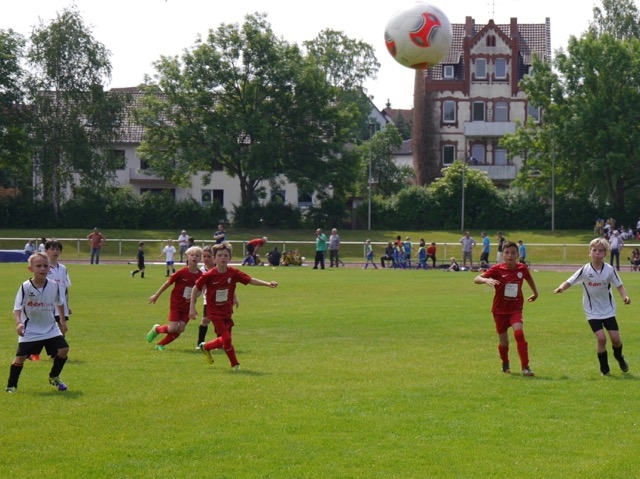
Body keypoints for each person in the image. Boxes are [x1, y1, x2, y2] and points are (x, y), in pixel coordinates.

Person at [190, 241, 278, 369]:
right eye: (220, 255)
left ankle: (206, 346)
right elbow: (195, 288)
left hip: (227, 311)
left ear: (230, 258)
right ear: (214, 258)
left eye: (226, 255)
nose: (223, 258)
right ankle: (235, 364)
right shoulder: (209, 275)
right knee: (227, 339)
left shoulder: (233, 272)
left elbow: (250, 280)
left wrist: (268, 284)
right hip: (214, 313)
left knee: (225, 340)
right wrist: (192, 307)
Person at [553, 238, 630, 376]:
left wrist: (625, 296)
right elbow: (570, 281)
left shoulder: (609, 270)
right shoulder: (585, 270)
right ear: (590, 252)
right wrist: (561, 288)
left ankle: (619, 358)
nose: (597, 253)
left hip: (608, 310)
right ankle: (604, 370)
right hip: (592, 311)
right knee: (601, 338)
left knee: (616, 340)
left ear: (605, 254)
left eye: (600, 251)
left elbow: (619, 285)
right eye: (594, 250)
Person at [6, 252, 70, 393]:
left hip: (50, 328)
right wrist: (18, 323)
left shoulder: (54, 285)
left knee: (64, 349)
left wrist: (62, 322)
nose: (42, 269)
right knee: (20, 358)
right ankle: (11, 386)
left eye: (45, 266)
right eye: (38, 266)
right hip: (30, 329)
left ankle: (54, 376)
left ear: (49, 269)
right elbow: (17, 308)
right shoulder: (25, 287)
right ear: (31, 269)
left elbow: (59, 303)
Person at [474, 241, 539, 376]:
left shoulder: (522, 268)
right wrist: (486, 280)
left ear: (517, 255)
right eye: (507, 253)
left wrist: (535, 293)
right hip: (499, 310)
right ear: (502, 255)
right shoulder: (497, 269)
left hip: (515, 308)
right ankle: (505, 362)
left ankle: (525, 367)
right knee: (504, 343)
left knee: (519, 334)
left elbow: (529, 278)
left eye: (513, 253)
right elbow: (476, 278)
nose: (510, 255)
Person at [146, 246, 203, 350]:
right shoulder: (181, 272)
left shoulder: (200, 275)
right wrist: (156, 295)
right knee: (172, 328)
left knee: (180, 329)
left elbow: (201, 289)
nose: (195, 257)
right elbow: (168, 283)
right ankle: (157, 329)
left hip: (188, 306)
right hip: (176, 304)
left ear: (200, 259)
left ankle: (160, 344)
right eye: (192, 255)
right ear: (187, 257)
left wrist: (195, 296)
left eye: (197, 256)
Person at [195, 245, 238, 349]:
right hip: (209, 300)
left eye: (208, 256)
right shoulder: (201, 271)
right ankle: (200, 343)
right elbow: (198, 287)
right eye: (204, 256)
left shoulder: (219, 268)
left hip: (223, 300)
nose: (206, 259)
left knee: (221, 320)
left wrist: (234, 297)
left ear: (213, 257)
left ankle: (221, 342)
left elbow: (230, 284)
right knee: (205, 320)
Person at [40, 239, 72, 361]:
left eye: (57, 249)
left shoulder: (63, 268)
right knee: (46, 329)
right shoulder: (43, 268)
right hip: (47, 305)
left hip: (61, 305)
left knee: (62, 328)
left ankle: (56, 353)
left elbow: (65, 288)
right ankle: (36, 352)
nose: (55, 251)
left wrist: (67, 305)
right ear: (46, 251)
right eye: (52, 249)